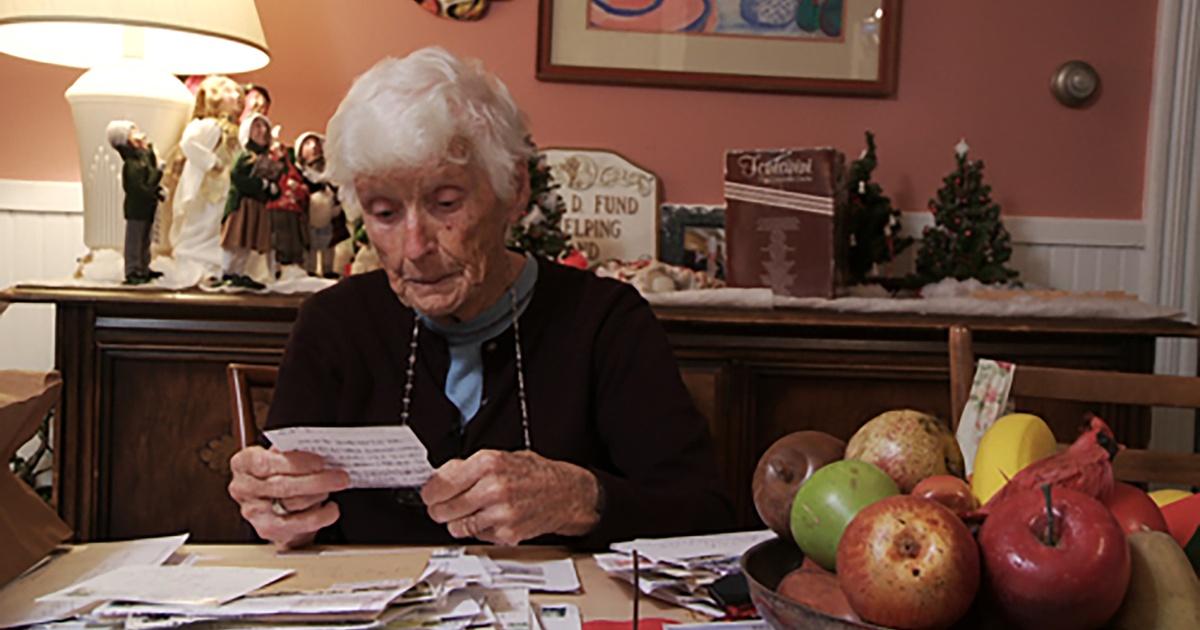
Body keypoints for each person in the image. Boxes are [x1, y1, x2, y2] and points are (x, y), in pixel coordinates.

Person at [227, 47, 733, 549]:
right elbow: (277, 526)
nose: (415, 247)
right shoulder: (333, 323)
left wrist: (585, 499)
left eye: (445, 204)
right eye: (383, 213)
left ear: (513, 190)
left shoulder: (605, 322)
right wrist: (274, 508)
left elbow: (703, 515)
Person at [221, 113, 281, 290]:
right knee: (236, 238)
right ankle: (228, 271)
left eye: (265, 127)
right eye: (257, 127)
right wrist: (260, 184)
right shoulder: (245, 156)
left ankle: (239, 272)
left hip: (256, 206)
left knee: (247, 241)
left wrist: (272, 188)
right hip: (242, 205)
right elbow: (236, 177)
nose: (262, 131)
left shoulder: (266, 157)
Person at [106, 120, 163, 285]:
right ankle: (132, 270)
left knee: (145, 239)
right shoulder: (132, 165)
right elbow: (140, 187)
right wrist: (157, 175)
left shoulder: (143, 158)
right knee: (135, 239)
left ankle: (143, 267)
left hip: (147, 207)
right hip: (137, 209)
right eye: (133, 132)